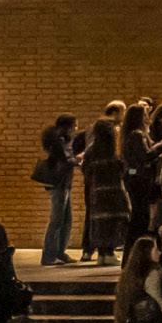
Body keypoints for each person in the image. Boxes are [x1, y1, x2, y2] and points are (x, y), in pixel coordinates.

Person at [80, 107, 129, 265]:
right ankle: (109, 254)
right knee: (112, 222)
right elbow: (122, 169)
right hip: (113, 192)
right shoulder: (113, 151)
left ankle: (102, 254)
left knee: (100, 222)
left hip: (96, 192)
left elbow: (85, 169)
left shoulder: (91, 150)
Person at [34, 113, 78, 268]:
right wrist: (79, 159)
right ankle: (49, 255)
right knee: (57, 220)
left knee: (66, 220)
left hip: (63, 183)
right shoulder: (60, 140)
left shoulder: (60, 139)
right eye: (74, 125)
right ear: (68, 126)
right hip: (59, 183)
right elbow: (66, 159)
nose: (76, 128)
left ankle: (60, 252)